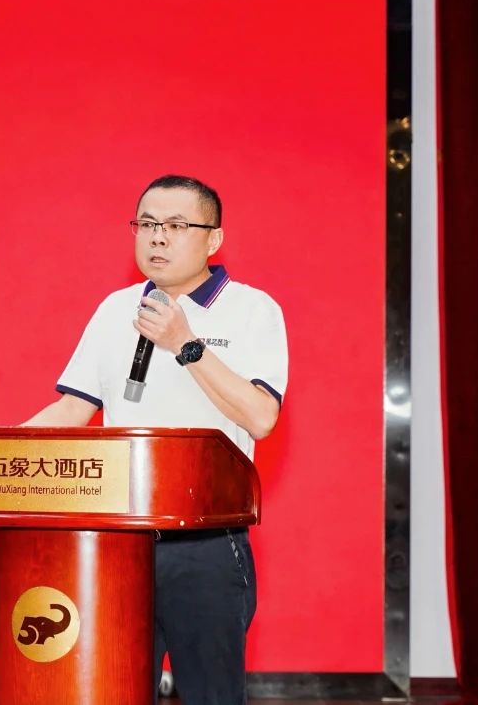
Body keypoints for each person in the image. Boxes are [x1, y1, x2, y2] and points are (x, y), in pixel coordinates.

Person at [21, 174, 288, 704]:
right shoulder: (114, 310)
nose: (158, 236)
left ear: (213, 239)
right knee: (112, 689)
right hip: (117, 541)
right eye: (146, 224)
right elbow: (73, 409)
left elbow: (261, 417)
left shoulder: (253, 310)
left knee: (211, 696)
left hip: (206, 541)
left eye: (176, 225)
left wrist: (185, 343)